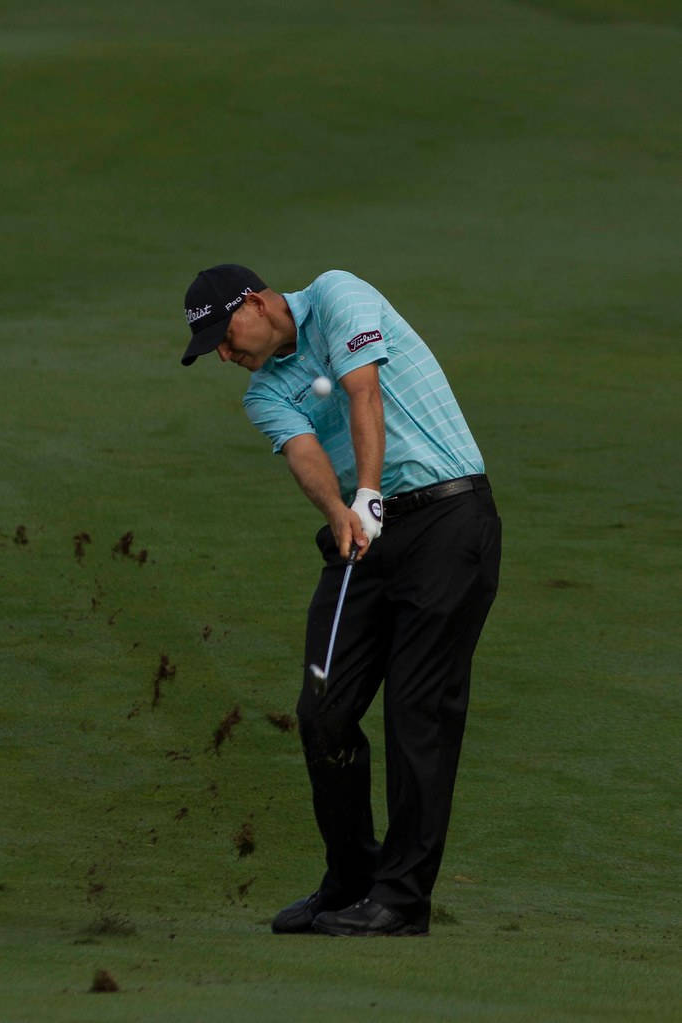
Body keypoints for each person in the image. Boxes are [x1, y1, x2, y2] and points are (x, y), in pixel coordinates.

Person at [180, 263, 502, 937]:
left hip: (447, 520)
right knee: (322, 710)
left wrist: (368, 489)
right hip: (364, 536)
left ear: (259, 301)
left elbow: (363, 393)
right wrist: (339, 508)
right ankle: (352, 878)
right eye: (212, 345)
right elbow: (304, 451)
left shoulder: (336, 295)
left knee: (417, 711)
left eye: (224, 333)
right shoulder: (262, 392)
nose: (224, 353)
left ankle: (401, 899)